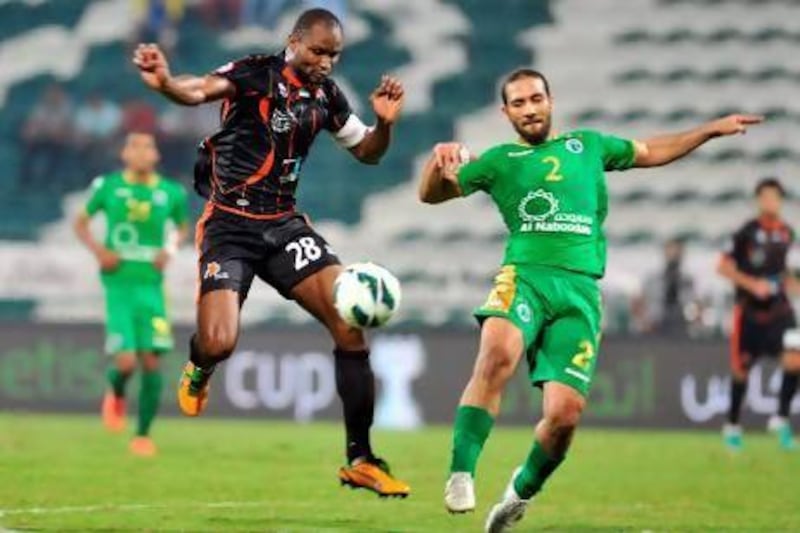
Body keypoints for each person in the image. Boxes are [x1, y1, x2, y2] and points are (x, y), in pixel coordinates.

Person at [418, 68, 762, 531]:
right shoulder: (500, 160)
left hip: (580, 290)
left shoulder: (588, 145)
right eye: (518, 103)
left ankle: (520, 492)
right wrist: (436, 164)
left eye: (535, 99)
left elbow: (650, 151)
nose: (529, 109)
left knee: (564, 417)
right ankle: (461, 471)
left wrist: (707, 130)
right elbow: (431, 195)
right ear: (505, 113)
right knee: (497, 353)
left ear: (550, 99)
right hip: (525, 277)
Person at [132, 8, 409, 496]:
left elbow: (369, 152)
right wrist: (163, 84)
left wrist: (384, 125)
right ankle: (199, 367)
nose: (326, 62)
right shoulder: (255, 73)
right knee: (218, 342)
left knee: (349, 322)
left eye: (334, 54)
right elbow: (196, 90)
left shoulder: (327, 96)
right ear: (295, 41)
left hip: (283, 225)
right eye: (319, 50)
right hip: (229, 226)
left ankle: (361, 459)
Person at [74, 132, 189, 457]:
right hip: (119, 284)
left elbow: (181, 228)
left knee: (152, 360)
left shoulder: (170, 193)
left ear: (156, 155)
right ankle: (116, 391)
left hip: (151, 284)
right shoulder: (107, 186)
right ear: (124, 153)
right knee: (125, 362)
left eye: (147, 146)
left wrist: (168, 249)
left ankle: (142, 435)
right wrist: (99, 252)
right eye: (134, 145)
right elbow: (80, 223)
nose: (140, 151)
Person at [717, 177, 800, 451]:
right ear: (758, 200)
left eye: (775, 197)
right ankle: (732, 425)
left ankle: (780, 418)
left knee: (795, 360)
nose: (770, 202)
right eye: (765, 197)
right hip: (749, 313)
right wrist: (753, 285)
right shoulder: (745, 233)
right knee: (741, 371)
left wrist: (792, 286)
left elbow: (789, 274)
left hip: (780, 311)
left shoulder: (789, 233)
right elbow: (723, 267)